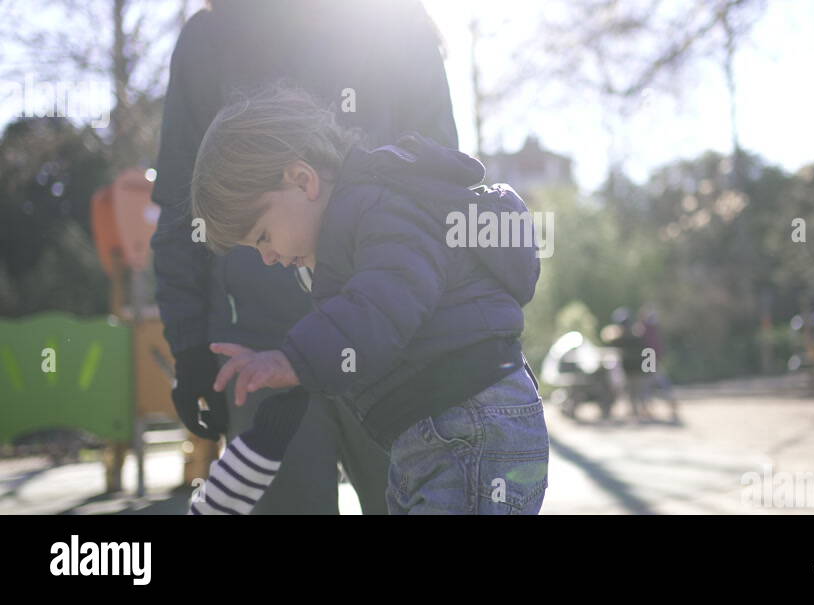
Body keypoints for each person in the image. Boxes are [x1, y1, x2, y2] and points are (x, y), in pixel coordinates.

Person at [151, 0, 458, 513]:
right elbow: (181, 201)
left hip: (388, 347)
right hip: (259, 351)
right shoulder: (214, 34)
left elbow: (442, 186)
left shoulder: (396, 19)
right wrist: (190, 347)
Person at [189, 84, 548, 514]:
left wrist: (293, 360)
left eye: (262, 236)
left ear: (302, 180)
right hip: (433, 435)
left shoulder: (381, 207)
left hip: (470, 425)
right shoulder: (358, 222)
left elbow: (386, 299)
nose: (267, 257)